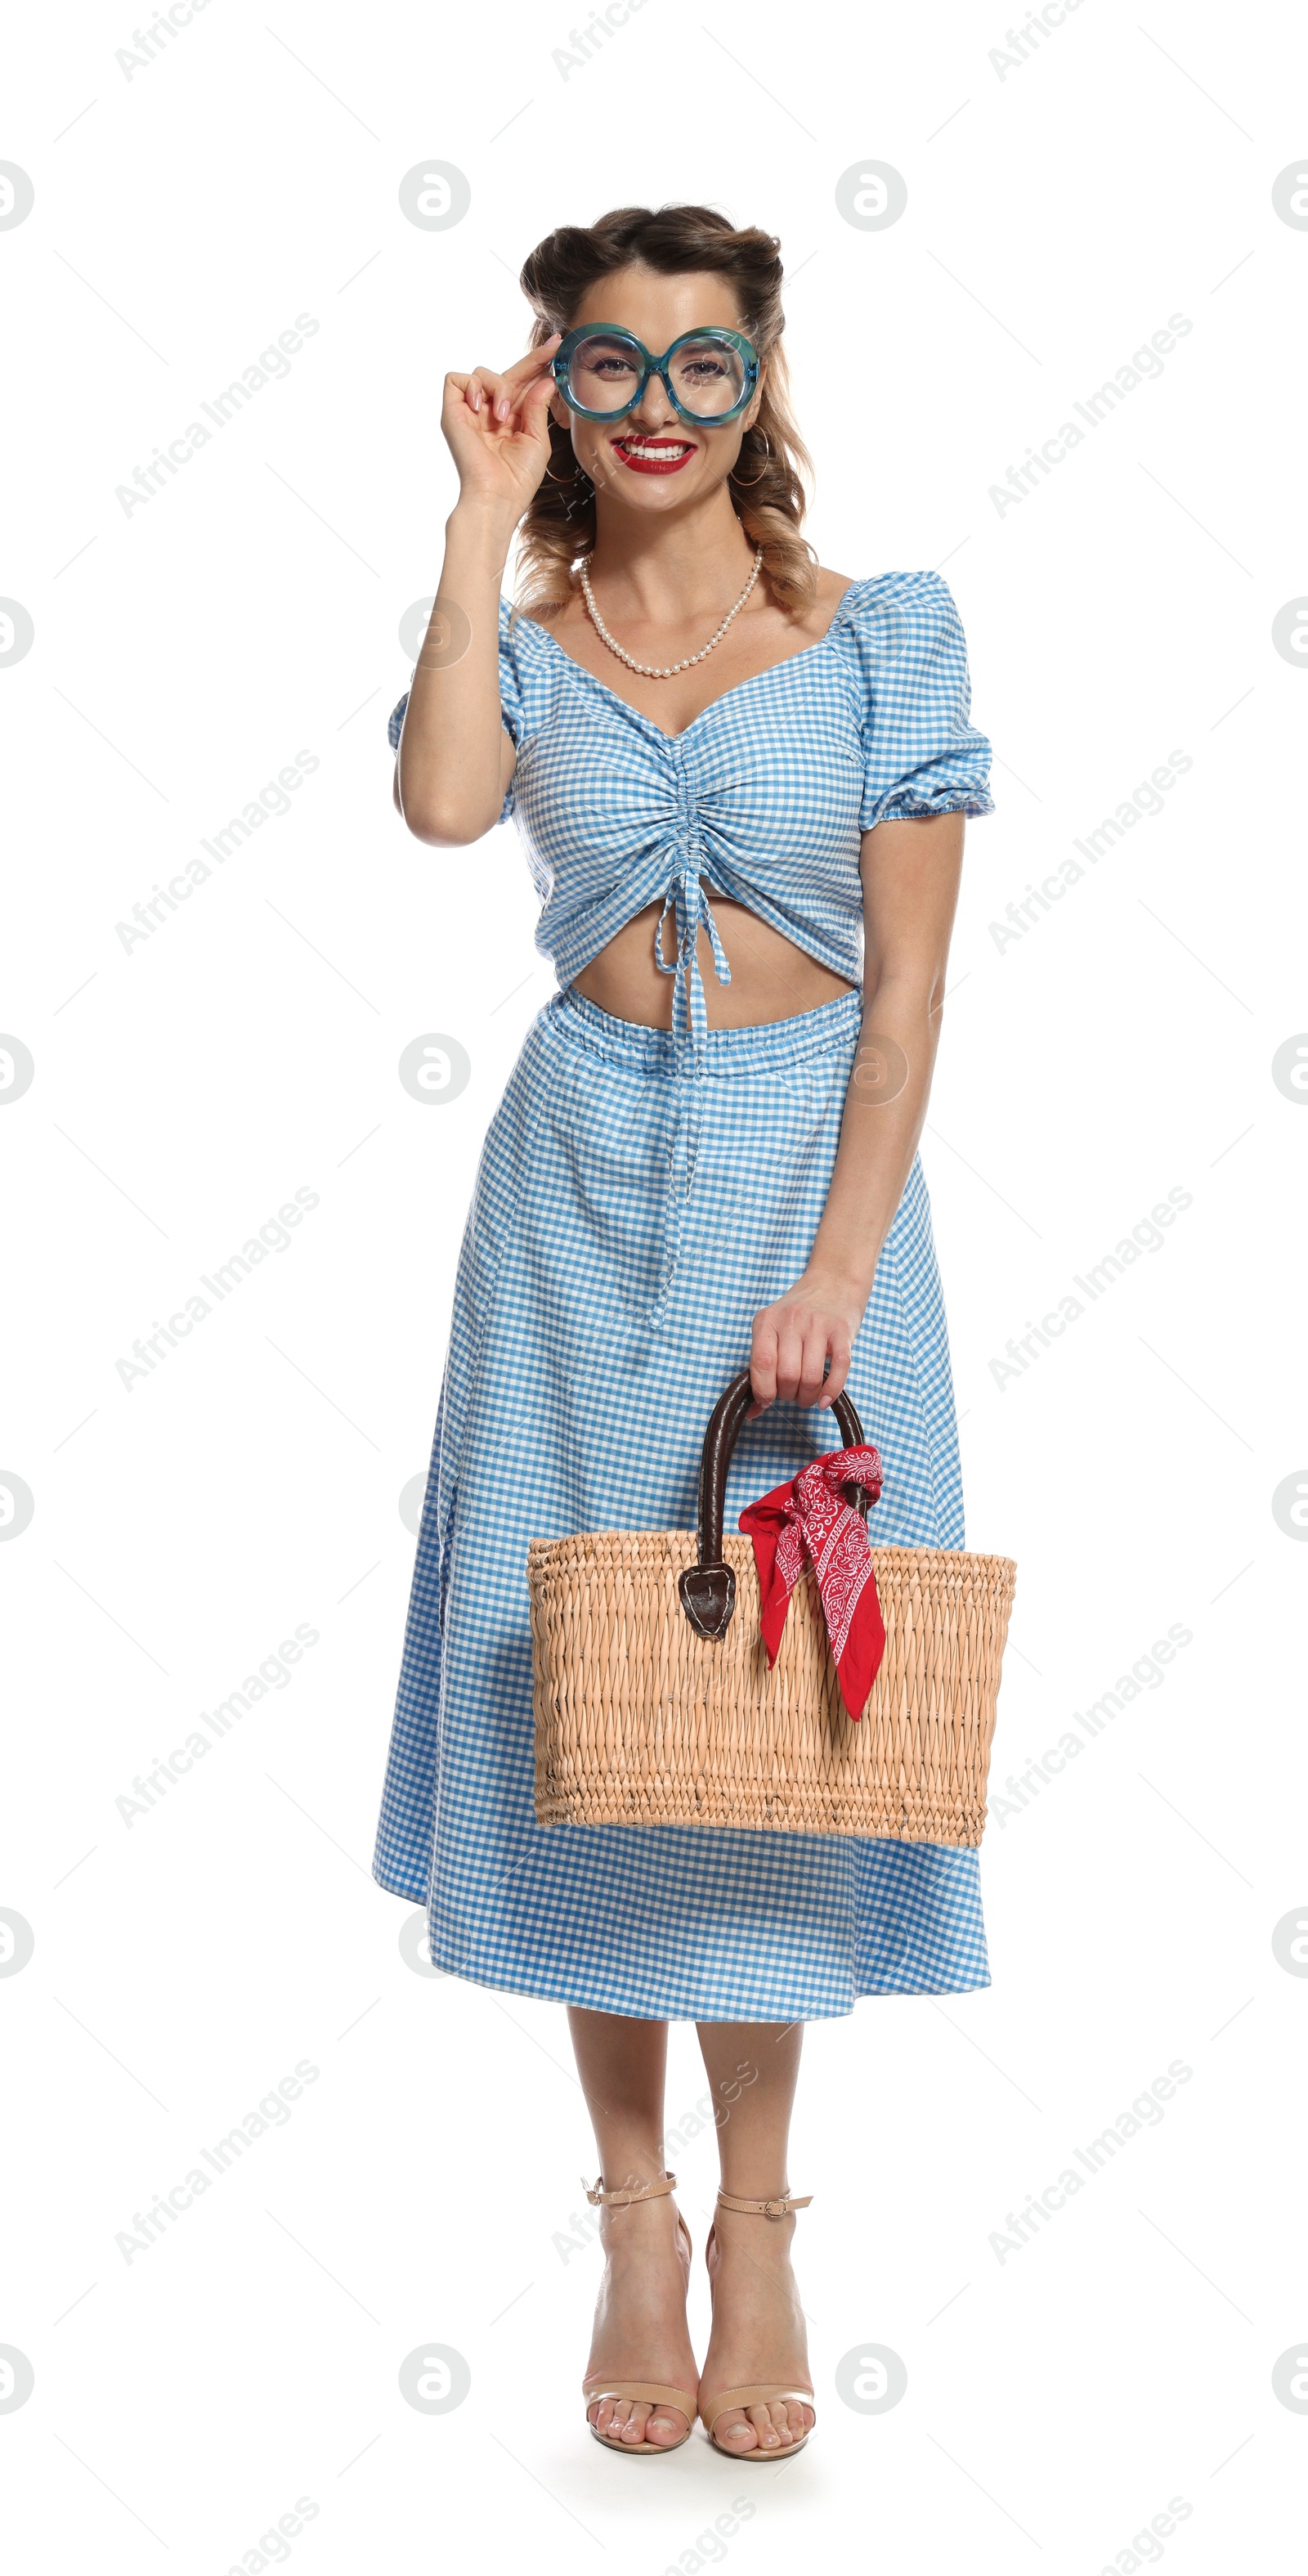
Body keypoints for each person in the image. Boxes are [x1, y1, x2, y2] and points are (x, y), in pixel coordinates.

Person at [373, 203, 994, 2462]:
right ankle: (628, 2214)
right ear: (558, 380)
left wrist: (835, 1262)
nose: (652, 408)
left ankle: (759, 2221)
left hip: (799, 1175)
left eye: (696, 365)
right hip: (572, 1185)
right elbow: (445, 806)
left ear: (760, 383)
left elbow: (910, 989)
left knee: (771, 1705)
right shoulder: (527, 643)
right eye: (608, 365)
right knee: (588, 1683)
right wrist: (470, 523)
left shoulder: (877, 634)